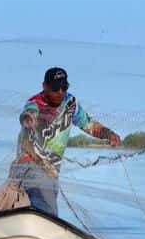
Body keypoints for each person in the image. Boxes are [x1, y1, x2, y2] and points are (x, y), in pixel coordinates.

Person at [9, 67, 121, 216]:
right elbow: (28, 112)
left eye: (64, 87)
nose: (60, 92)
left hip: (51, 171)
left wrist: (108, 133)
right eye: (55, 88)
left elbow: (87, 123)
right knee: (44, 210)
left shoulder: (70, 103)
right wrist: (28, 118)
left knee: (43, 205)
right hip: (29, 166)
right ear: (45, 86)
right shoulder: (35, 103)